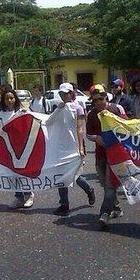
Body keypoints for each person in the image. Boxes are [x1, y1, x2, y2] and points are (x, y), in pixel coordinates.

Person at [86, 85, 127, 227]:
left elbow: (127, 126)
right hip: (100, 154)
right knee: (105, 185)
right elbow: (88, 133)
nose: (98, 102)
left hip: (115, 154)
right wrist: (97, 138)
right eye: (95, 100)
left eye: (101, 99)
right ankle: (116, 207)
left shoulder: (116, 109)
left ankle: (104, 214)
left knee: (110, 186)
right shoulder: (91, 115)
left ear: (106, 98)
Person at [53, 82, 95, 216]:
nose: (63, 96)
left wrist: (81, 147)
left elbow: (79, 128)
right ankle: (64, 204)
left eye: (65, 93)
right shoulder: (59, 107)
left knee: (75, 175)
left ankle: (89, 189)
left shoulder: (77, 108)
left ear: (71, 93)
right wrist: (58, 110)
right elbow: (50, 122)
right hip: (61, 145)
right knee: (61, 176)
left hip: (74, 144)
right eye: (61, 94)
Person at [0, 86, 35, 209]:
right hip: (8, 147)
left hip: (21, 147)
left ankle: (28, 195)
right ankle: (18, 197)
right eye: (7, 99)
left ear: (15, 99)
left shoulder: (22, 112)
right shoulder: (0, 114)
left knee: (23, 173)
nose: (9, 101)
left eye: (11, 98)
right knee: (12, 174)